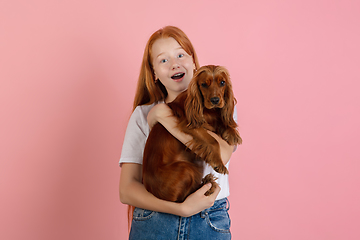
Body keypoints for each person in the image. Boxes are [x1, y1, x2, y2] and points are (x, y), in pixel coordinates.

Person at [119, 26, 237, 240]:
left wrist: (166, 118)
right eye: (163, 60)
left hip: (209, 221)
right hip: (154, 221)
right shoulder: (142, 114)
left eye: (180, 55)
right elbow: (127, 190)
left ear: (193, 61)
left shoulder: (218, 104)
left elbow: (221, 155)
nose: (174, 63)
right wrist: (181, 209)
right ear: (154, 72)